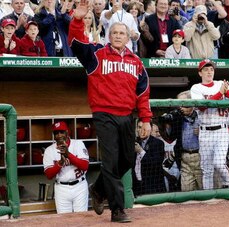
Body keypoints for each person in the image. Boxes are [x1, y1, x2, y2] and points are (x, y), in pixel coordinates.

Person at [68, 0, 152, 223]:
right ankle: (117, 209)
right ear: (108, 35)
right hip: (103, 114)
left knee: (126, 159)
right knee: (111, 161)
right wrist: (77, 19)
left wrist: (145, 119)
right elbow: (75, 43)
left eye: (121, 33)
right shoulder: (96, 55)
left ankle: (98, 189)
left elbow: (143, 93)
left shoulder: (136, 63)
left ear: (127, 37)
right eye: (113, 32)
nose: (117, 36)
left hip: (127, 115)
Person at [190, 59, 229, 190]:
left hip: (221, 130)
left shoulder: (220, 83)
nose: (209, 72)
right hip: (205, 131)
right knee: (206, 169)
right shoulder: (196, 88)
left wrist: (226, 91)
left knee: (219, 163)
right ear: (200, 73)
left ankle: (226, 183)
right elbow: (202, 106)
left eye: (211, 69)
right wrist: (220, 93)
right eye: (206, 69)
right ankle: (208, 197)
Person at [43, 121, 89, 214]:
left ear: (67, 132)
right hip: (61, 188)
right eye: (56, 133)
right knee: (64, 220)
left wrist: (68, 155)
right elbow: (49, 175)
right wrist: (60, 163)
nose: (59, 135)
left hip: (79, 186)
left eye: (61, 132)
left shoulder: (78, 144)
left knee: (81, 218)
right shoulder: (49, 150)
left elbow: (85, 166)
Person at [160, 90, 202, 191]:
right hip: (184, 158)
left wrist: (202, 133)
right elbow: (170, 137)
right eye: (179, 105)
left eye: (184, 105)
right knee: (186, 191)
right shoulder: (178, 117)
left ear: (192, 104)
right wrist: (168, 123)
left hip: (201, 157)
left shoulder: (201, 116)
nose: (181, 108)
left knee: (202, 189)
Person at [133, 120, 166, 196]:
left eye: (144, 128)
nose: (141, 130)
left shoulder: (158, 143)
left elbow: (156, 164)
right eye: (139, 127)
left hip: (152, 186)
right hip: (136, 185)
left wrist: (141, 151)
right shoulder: (133, 142)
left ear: (150, 129)